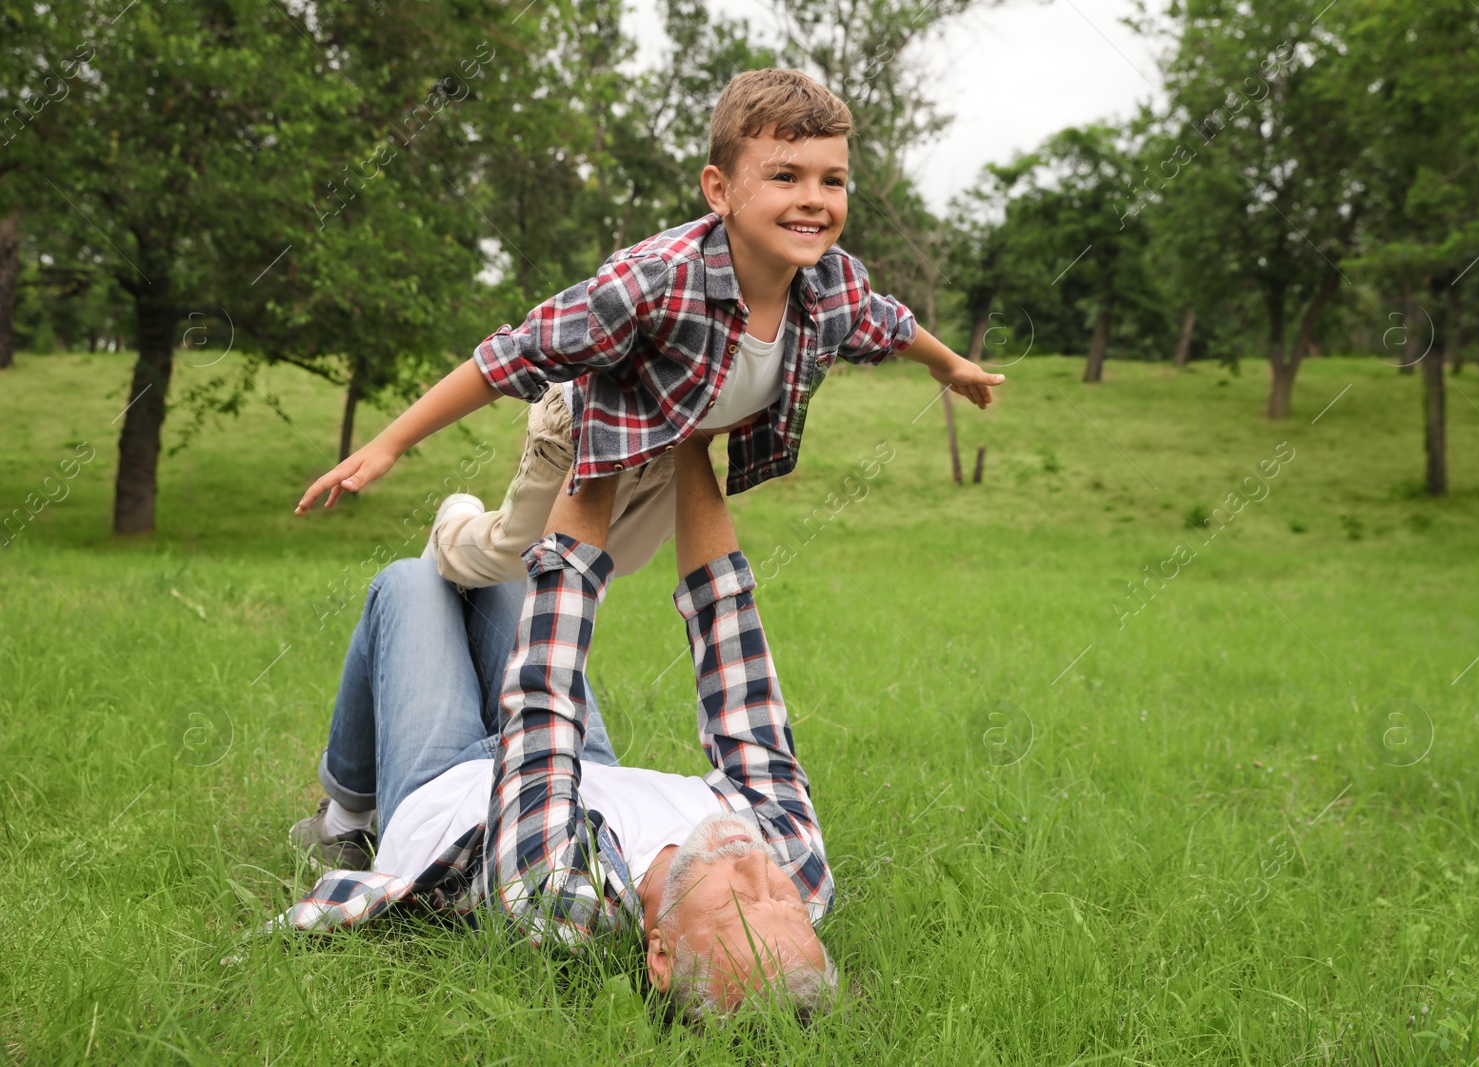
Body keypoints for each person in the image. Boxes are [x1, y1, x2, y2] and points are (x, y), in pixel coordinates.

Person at [293, 68, 1004, 591]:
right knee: (514, 559)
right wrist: (386, 445)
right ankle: (451, 526)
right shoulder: (655, 283)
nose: (813, 201)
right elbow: (512, 355)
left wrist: (950, 368)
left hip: (670, 444)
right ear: (720, 190)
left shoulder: (833, 284)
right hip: (582, 433)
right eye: (785, 176)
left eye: (833, 180)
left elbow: (889, 322)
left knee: (620, 564)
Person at [282, 434, 836, 1019]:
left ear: (661, 956)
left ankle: (343, 819)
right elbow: (735, 657)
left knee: (406, 583)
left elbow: (544, 697)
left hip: (448, 788)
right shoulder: (797, 865)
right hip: (581, 764)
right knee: (506, 577)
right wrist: (693, 442)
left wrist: (600, 434)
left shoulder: (561, 907)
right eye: (786, 902)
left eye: (737, 906)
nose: (756, 864)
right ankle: (462, 551)